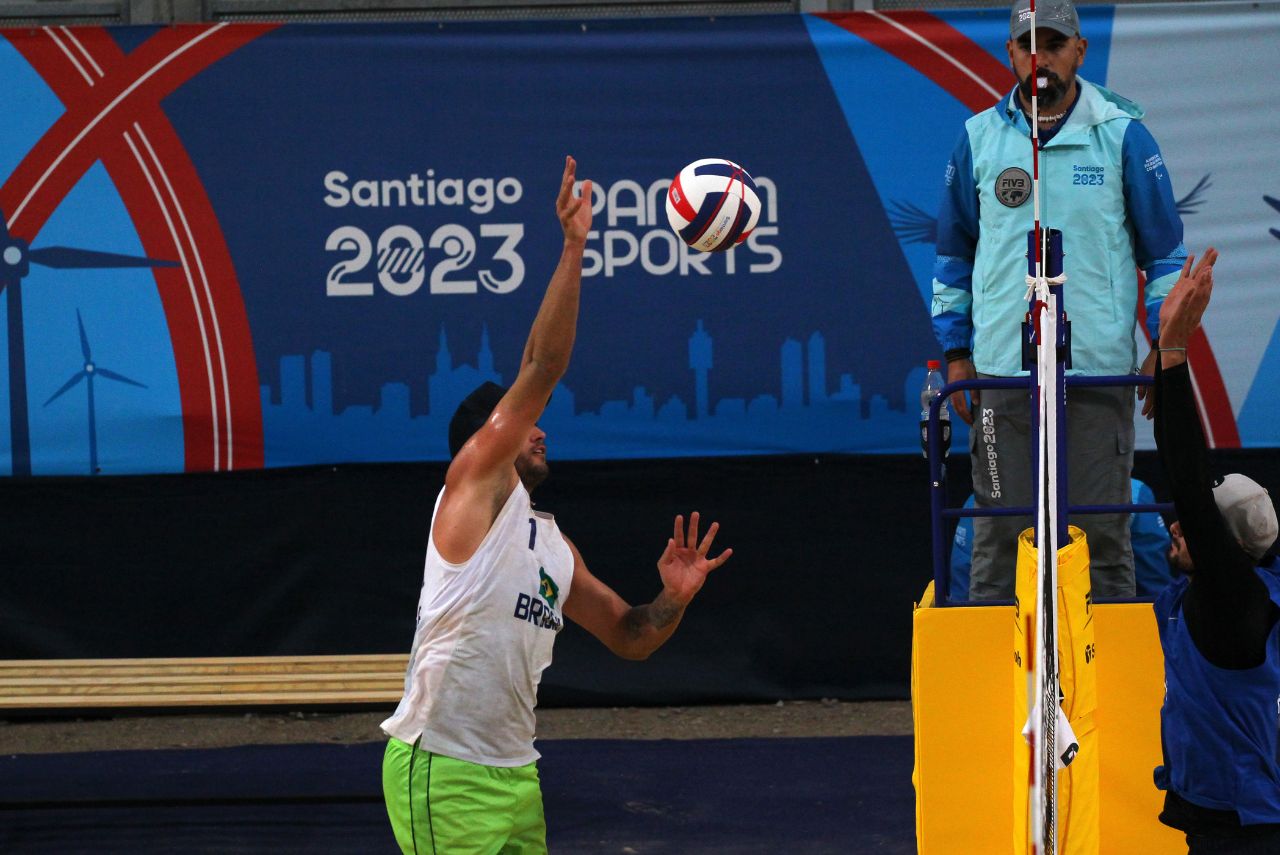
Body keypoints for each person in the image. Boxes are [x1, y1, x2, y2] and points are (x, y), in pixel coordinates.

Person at [378, 157, 732, 855]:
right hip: (442, 766)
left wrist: (674, 598)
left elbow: (630, 634)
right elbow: (542, 368)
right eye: (521, 422)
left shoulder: (551, 546)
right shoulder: (472, 488)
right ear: (489, 437)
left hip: (515, 775)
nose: (541, 427)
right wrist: (574, 248)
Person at [930, 0, 1187, 600]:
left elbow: (1166, 257)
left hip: (1097, 375)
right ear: (1011, 55)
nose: (1039, 57)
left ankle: (1107, 694)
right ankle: (999, 693)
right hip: (1001, 375)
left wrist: (1164, 349)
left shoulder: (1121, 136)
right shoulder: (978, 138)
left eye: (1053, 43)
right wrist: (958, 352)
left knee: (1102, 541)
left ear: (1079, 51)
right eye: (1027, 45)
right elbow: (951, 257)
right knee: (998, 540)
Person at [1151, 248, 1280, 852]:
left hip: (1245, 825)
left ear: (1225, 547)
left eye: (1197, 527)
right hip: (1218, 810)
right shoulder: (1243, 586)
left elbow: (1185, 469)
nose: (1179, 527)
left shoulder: (1233, 604)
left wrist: (1174, 351)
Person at [948, 477, 1173, 601]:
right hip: (1103, 640)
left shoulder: (981, 501)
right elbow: (1158, 595)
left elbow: (961, 599)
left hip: (1008, 642)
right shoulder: (1133, 494)